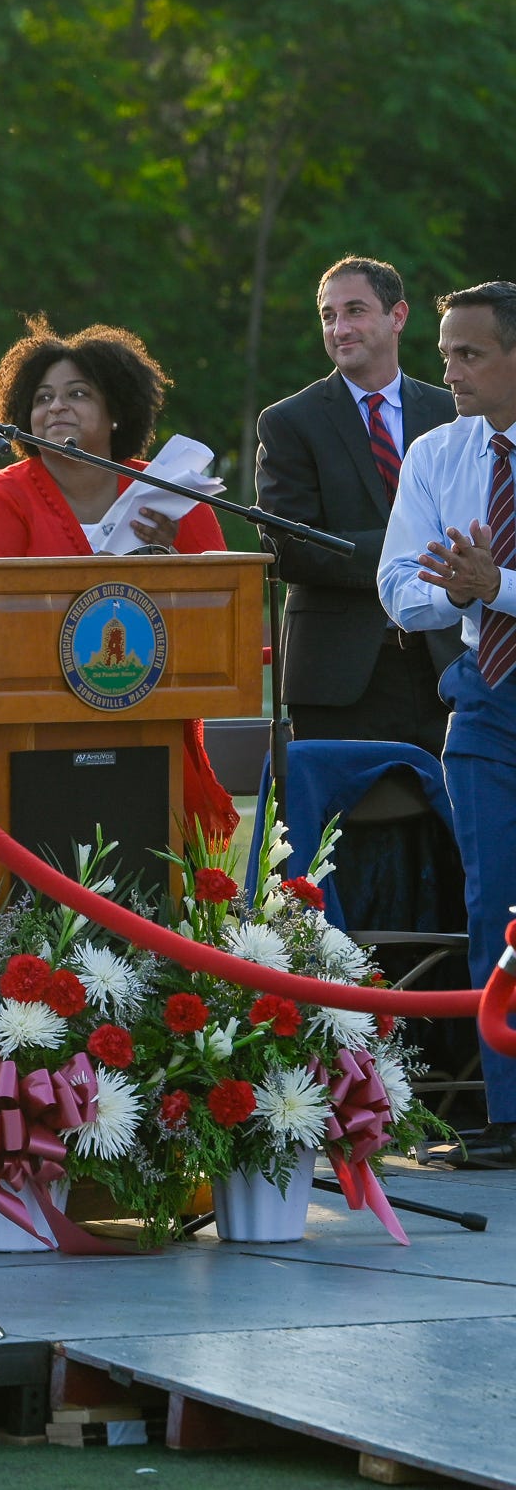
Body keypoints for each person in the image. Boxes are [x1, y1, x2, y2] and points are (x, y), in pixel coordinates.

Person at [0, 318, 240, 848]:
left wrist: (167, 559)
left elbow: (218, 621)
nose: (56, 407)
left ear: (117, 410)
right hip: (30, 740)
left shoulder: (170, 494)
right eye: (42, 397)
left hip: (148, 728)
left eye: (78, 393)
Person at [379, 280, 516, 1169]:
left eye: (469, 353)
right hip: (485, 701)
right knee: (493, 907)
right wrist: (460, 589)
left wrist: (491, 585)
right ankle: (508, 1117)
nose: (450, 372)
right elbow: (398, 586)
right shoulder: (435, 452)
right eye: (445, 354)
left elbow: (475, 585)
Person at [257, 256, 461, 752]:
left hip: (449, 665)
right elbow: (291, 549)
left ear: (398, 316)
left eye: (354, 311)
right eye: (328, 316)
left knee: (459, 826)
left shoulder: (454, 412)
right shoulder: (288, 423)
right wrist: (417, 553)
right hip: (338, 677)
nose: (339, 328)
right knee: (342, 830)